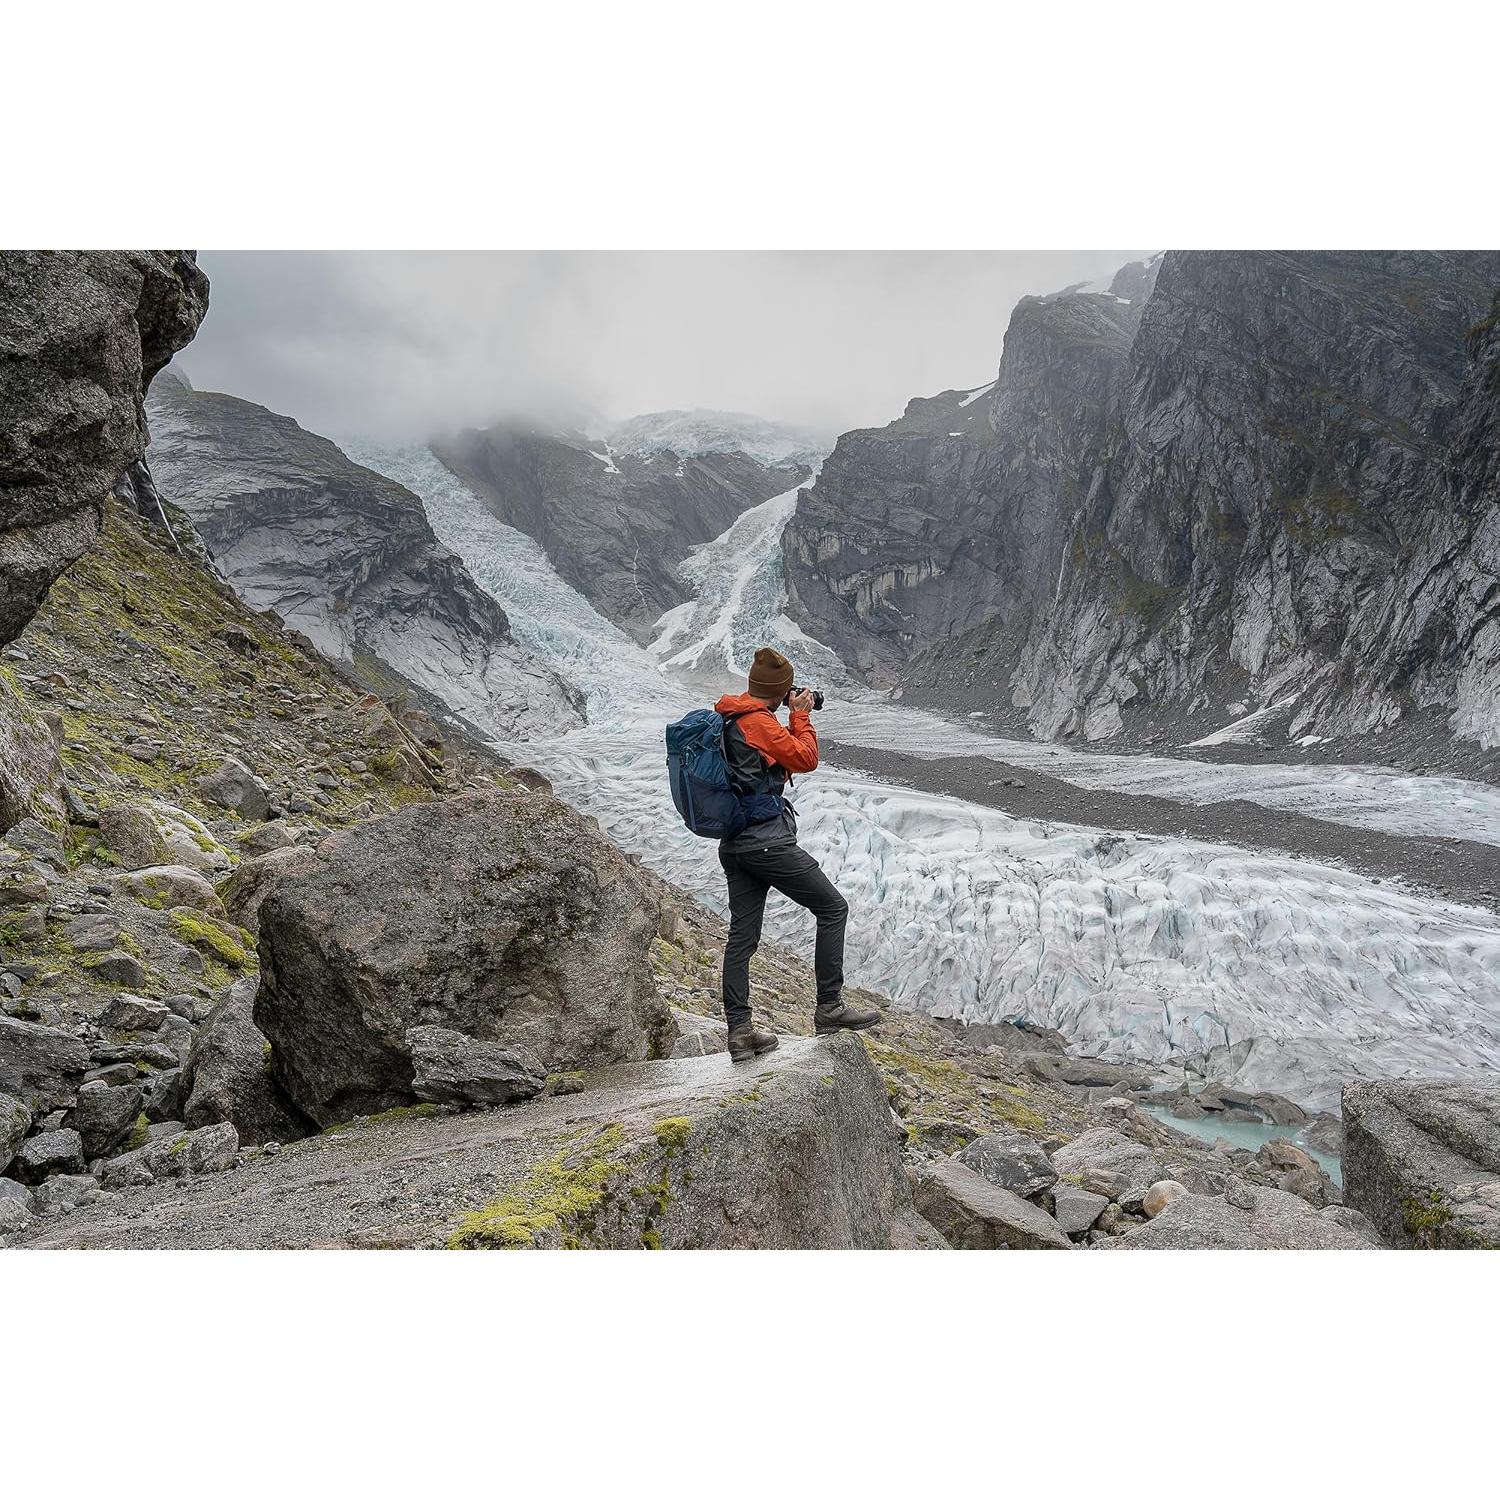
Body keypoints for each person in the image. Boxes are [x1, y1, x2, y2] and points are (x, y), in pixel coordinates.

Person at [714, 646, 879, 1061]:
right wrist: (800, 715)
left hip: (735, 845)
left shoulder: (733, 715)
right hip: (766, 843)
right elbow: (805, 758)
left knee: (742, 938)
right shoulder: (757, 721)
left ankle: (740, 1032)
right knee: (832, 908)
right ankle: (829, 1008)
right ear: (780, 692)